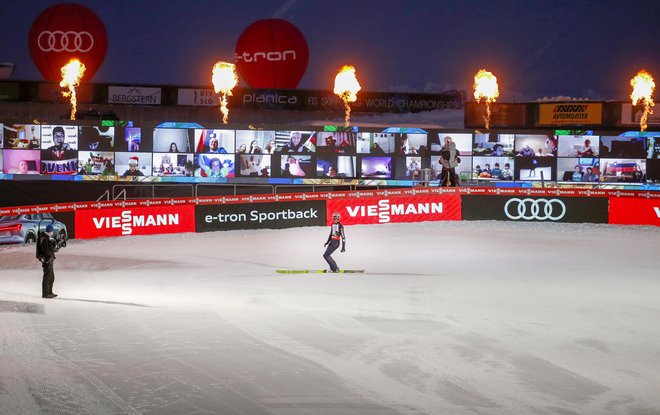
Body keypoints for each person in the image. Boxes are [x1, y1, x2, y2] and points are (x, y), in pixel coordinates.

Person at [37, 224, 59, 299]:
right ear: (50, 231)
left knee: (51, 277)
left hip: (49, 260)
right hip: (47, 260)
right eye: (52, 231)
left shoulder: (45, 238)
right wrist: (53, 250)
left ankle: (49, 292)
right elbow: (46, 251)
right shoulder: (45, 239)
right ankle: (46, 294)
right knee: (47, 277)